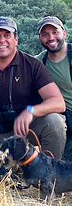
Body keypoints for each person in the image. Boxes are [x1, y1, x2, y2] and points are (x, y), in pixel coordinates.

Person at [0, 16, 66, 159]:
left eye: (7, 35)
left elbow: (58, 103)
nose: (2, 40)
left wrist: (30, 111)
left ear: (16, 39)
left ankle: (49, 172)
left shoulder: (32, 65)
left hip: (28, 130)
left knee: (54, 121)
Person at [36, 16, 72, 160]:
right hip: (63, 124)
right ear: (40, 38)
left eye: (55, 32)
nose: (51, 38)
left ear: (63, 33)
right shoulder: (38, 62)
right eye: (45, 34)